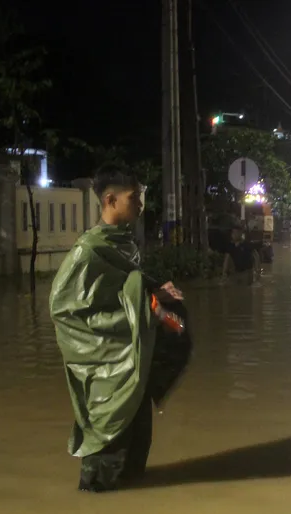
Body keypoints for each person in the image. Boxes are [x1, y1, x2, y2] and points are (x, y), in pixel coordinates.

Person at [49, 165, 192, 493]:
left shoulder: (122, 244)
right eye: (134, 197)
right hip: (106, 371)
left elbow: (125, 293)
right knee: (106, 462)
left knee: (136, 454)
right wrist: (144, 307)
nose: (141, 203)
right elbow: (64, 310)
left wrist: (153, 296)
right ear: (110, 199)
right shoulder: (88, 252)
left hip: (132, 365)